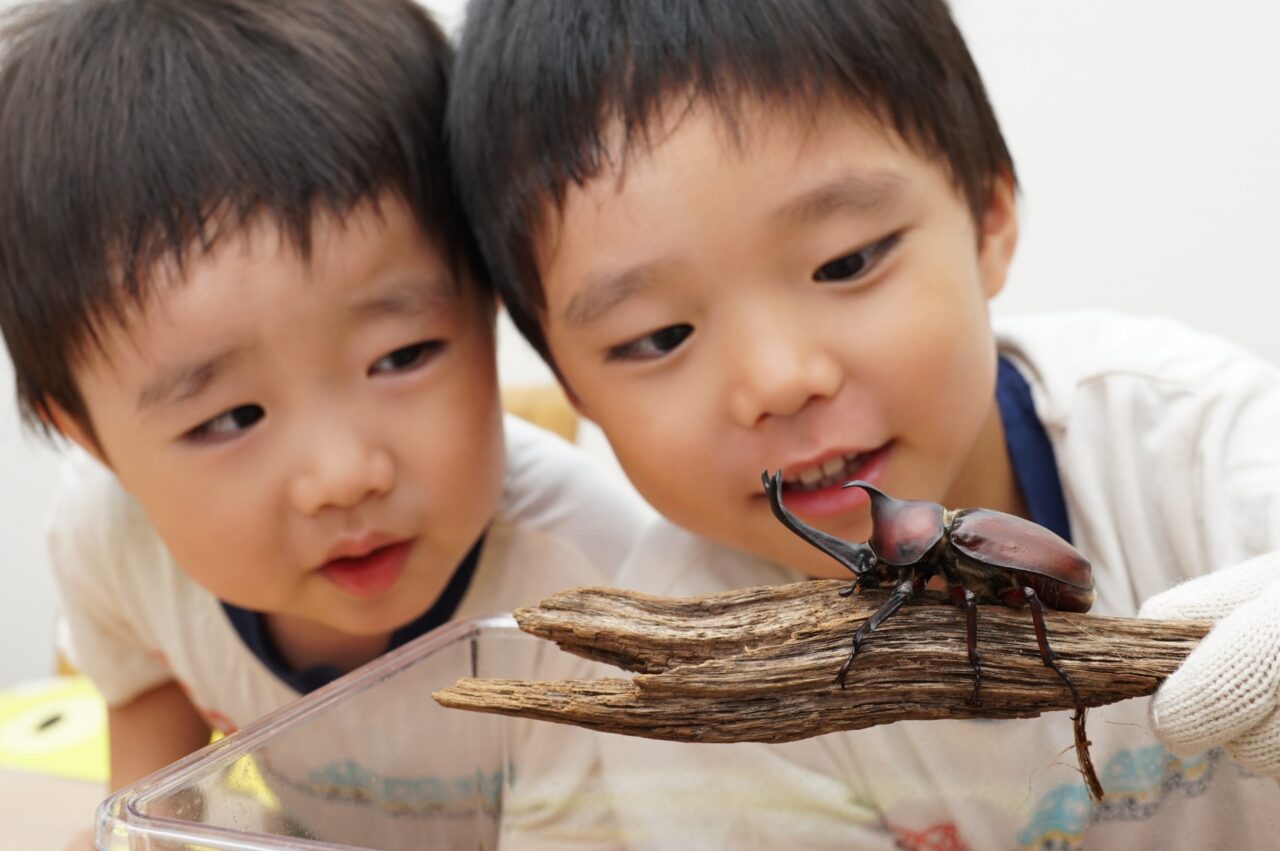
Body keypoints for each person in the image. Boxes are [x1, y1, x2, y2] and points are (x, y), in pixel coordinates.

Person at [447, 0, 1280, 847]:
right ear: (572, 389)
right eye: (659, 336)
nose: (776, 380)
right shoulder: (685, 672)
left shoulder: (1200, 448)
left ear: (989, 216)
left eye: (846, 261)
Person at [0, 0, 647, 830]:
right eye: (232, 416)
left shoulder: (589, 590)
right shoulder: (110, 538)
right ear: (88, 436)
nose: (344, 476)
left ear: (494, 303)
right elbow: (151, 788)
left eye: (401, 356)